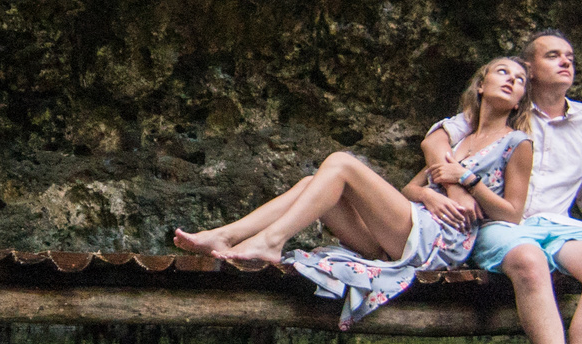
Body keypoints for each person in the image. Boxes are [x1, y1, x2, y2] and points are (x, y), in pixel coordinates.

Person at [172, 57, 537, 330]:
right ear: (481, 85)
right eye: (503, 72)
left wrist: (468, 181)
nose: (512, 81)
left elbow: (513, 214)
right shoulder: (460, 140)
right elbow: (411, 187)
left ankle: (270, 241)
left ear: (520, 100)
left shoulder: (517, 143)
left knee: (342, 164)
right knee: (309, 185)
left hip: (443, 242)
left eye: (520, 80)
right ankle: (228, 234)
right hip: (412, 228)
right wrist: (429, 195)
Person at [427, 30, 582, 344]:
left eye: (570, 58)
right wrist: (454, 186)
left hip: (557, 226)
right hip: (502, 225)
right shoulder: (506, 108)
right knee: (529, 259)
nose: (565, 62)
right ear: (528, 69)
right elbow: (438, 138)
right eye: (553, 55)